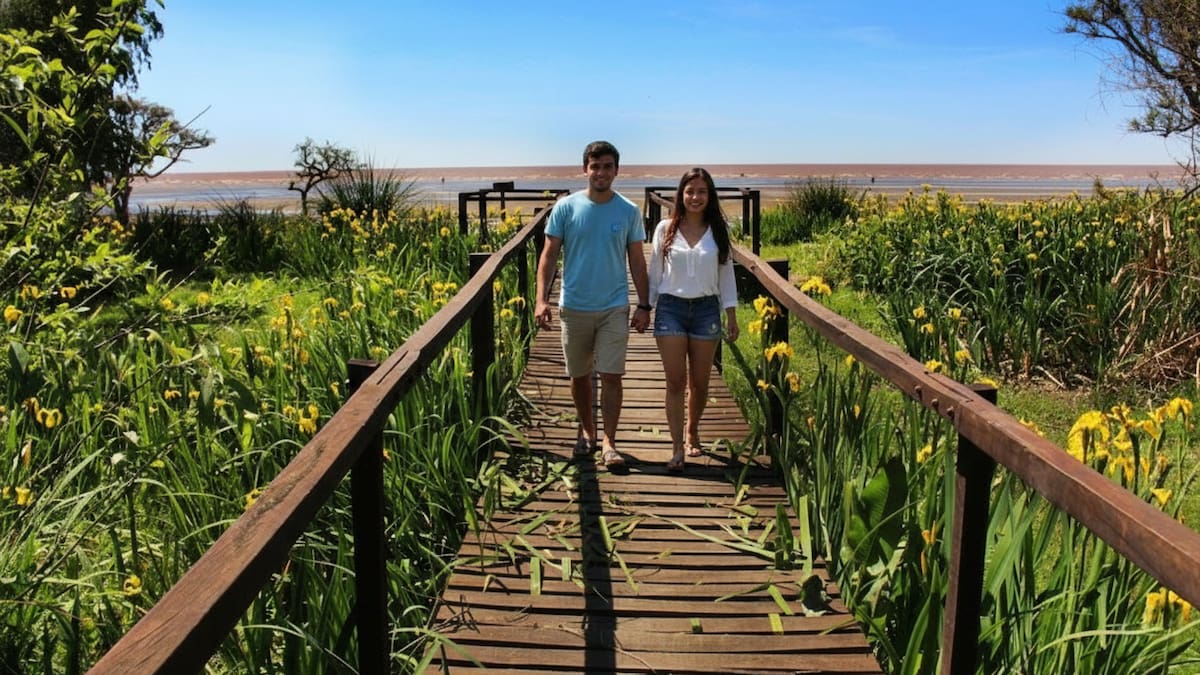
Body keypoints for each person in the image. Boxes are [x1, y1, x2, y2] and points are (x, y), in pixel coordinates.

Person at [535, 141, 651, 469]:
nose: (601, 172)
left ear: (616, 170)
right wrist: (541, 300)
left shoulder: (628, 211)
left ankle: (610, 442)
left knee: (612, 375)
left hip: (614, 306)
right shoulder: (566, 208)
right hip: (574, 307)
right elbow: (548, 256)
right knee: (580, 375)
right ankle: (586, 431)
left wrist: (644, 305)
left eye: (607, 166)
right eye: (595, 166)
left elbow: (638, 262)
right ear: (585, 169)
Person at [647, 167, 739, 472]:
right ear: (681, 195)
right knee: (676, 381)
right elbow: (655, 272)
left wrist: (732, 315)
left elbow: (727, 274)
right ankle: (676, 448)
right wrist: (645, 306)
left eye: (701, 191)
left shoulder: (719, 229)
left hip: (706, 311)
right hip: (671, 309)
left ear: (709, 195)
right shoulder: (665, 228)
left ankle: (692, 430)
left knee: (700, 383)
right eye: (690, 191)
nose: (695, 197)